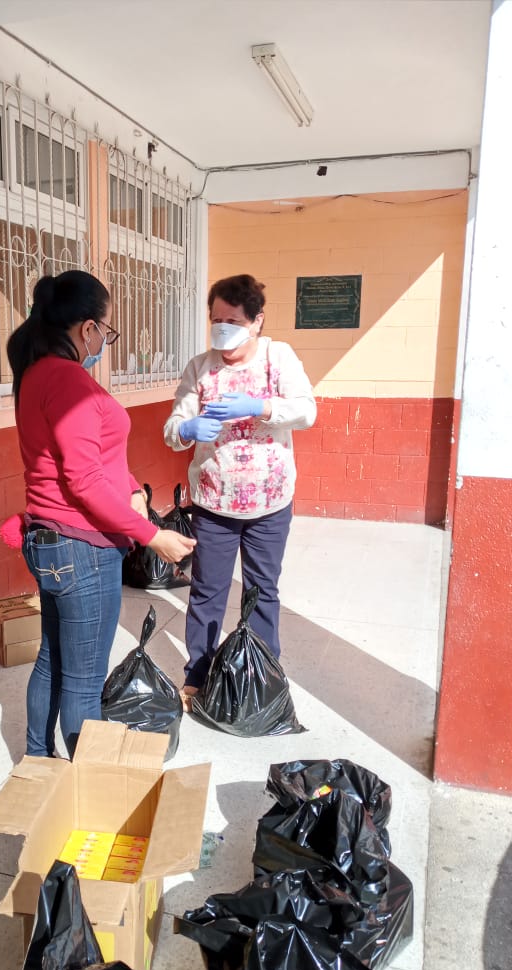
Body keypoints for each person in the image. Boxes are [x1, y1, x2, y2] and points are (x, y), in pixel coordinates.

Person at [8, 270, 195, 758]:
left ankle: (38, 760)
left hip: (52, 540)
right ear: (86, 328)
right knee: (84, 680)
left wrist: (132, 488)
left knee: (52, 660)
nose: (103, 342)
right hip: (82, 547)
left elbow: (94, 461)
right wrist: (153, 535)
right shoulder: (68, 380)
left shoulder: (36, 373)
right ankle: (84, 788)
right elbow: (84, 481)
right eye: (105, 330)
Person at [163, 273, 316, 710]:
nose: (221, 329)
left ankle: (262, 673)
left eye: (231, 320)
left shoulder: (277, 357)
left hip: (270, 501)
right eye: (215, 319)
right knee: (208, 591)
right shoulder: (201, 366)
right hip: (213, 502)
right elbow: (173, 430)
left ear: (256, 322)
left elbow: (306, 411)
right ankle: (197, 676)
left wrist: (261, 406)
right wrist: (188, 428)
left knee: (262, 589)